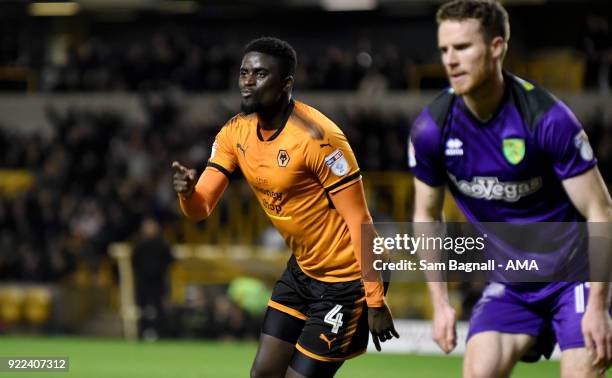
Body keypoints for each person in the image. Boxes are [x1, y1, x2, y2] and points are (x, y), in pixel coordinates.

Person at [172, 37, 397, 378]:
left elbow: (360, 221)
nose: (248, 81)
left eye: (260, 74)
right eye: (244, 72)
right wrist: (188, 193)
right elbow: (201, 208)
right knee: (262, 374)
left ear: (286, 84)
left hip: (347, 278)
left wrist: (375, 300)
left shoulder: (319, 139)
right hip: (303, 271)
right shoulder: (235, 133)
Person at [409, 1, 612, 377]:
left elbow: (601, 210)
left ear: (497, 47)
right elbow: (425, 213)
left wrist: (599, 304)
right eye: (444, 49)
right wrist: (440, 303)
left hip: (575, 279)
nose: (450, 60)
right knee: (477, 372)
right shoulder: (432, 129)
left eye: (463, 47)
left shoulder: (547, 119)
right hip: (512, 282)